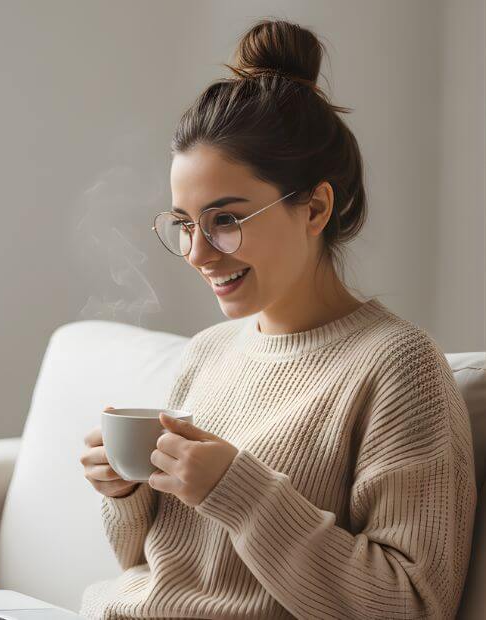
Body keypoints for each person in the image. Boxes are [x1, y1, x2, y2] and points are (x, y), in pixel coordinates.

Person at [78, 18, 476, 620]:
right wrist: (127, 494)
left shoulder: (397, 368)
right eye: (184, 224)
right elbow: (152, 569)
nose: (198, 253)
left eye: (226, 220)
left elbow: (411, 605)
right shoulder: (208, 353)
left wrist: (238, 492)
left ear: (315, 207)